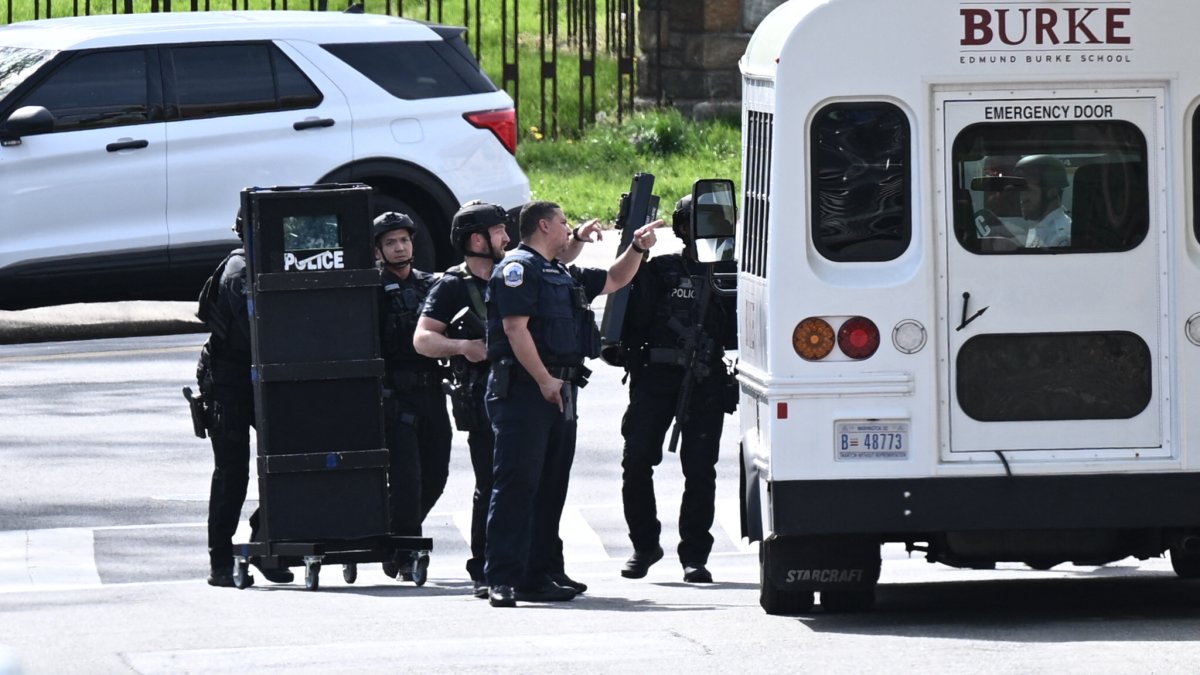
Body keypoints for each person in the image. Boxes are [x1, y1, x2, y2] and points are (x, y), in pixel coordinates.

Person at [483, 200, 658, 607]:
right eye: (564, 223)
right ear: (544, 226)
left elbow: (615, 279)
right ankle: (503, 578)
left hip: (560, 390)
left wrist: (638, 247)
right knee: (516, 486)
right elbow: (514, 328)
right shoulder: (517, 269)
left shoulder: (559, 272)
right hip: (526, 391)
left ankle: (539, 574)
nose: (570, 228)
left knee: (550, 487)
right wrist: (544, 379)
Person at [617, 194, 738, 584]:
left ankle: (695, 556)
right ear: (683, 228)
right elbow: (628, 321)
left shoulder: (731, 275)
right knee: (637, 462)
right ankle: (644, 545)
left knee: (700, 470)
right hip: (656, 378)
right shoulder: (661, 271)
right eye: (703, 221)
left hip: (705, 379)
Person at [413, 201, 511, 599]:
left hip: (522, 394)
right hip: (482, 397)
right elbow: (423, 339)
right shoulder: (452, 284)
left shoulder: (514, 272)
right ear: (477, 239)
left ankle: (533, 563)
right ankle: (484, 568)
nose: (507, 237)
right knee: (490, 483)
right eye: (499, 230)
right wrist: (463, 346)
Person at [196, 210, 293, 587]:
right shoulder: (239, 270)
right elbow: (259, 331)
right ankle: (220, 560)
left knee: (291, 463)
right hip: (230, 379)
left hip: (267, 375)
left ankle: (263, 542)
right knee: (232, 471)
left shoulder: (278, 265)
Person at [374, 211, 452, 580]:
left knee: (436, 473)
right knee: (406, 478)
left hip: (432, 391)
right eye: (390, 242)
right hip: (394, 396)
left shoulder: (432, 284)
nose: (399, 247)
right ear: (378, 250)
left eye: (404, 240)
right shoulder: (370, 289)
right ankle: (406, 554)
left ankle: (392, 533)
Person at [1014, 154, 1071, 248]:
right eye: (1021, 191)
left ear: (1052, 191)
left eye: (1028, 190)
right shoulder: (1041, 228)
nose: (1022, 198)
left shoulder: (1060, 237)